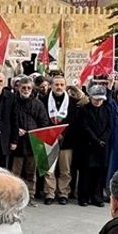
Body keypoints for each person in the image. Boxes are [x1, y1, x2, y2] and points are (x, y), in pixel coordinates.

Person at [41, 76, 79, 205]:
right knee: (49, 169)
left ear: (65, 86)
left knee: (65, 170)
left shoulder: (72, 102)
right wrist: (52, 133)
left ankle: (63, 193)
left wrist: (62, 133)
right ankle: (49, 193)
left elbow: (74, 121)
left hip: (67, 140)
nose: (59, 87)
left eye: (61, 85)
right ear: (51, 86)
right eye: (56, 84)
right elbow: (42, 119)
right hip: (49, 138)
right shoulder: (44, 100)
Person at [10, 77, 49, 199]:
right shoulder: (12, 102)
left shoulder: (38, 104)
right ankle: (14, 194)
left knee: (31, 172)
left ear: (32, 89)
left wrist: (34, 132)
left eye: (28, 88)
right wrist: (15, 131)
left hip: (33, 142)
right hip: (17, 143)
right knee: (15, 172)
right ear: (18, 88)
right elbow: (8, 121)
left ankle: (30, 194)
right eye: (23, 87)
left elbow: (44, 122)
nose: (26, 90)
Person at [75, 85, 112, 206]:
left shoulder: (107, 109)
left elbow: (109, 127)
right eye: (95, 99)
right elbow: (84, 127)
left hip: (102, 146)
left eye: (100, 99)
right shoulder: (83, 110)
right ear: (90, 98)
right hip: (88, 145)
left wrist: (103, 140)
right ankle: (84, 197)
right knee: (86, 173)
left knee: (99, 173)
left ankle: (97, 197)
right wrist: (96, 140)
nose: (98, 101)